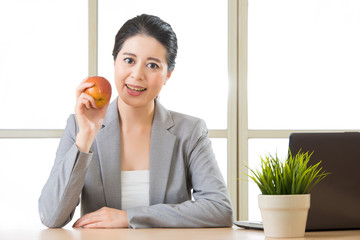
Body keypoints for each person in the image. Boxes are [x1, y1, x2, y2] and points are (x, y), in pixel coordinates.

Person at [38, 14, 233, 229]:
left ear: (168, 74)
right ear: (115, 62)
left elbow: (219, 209)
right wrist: (85, 137)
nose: (137, 75)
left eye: (152, 65)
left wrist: (128, 217)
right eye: (129, 60)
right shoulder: (78, 126)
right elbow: (51, 216)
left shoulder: (190, 131)